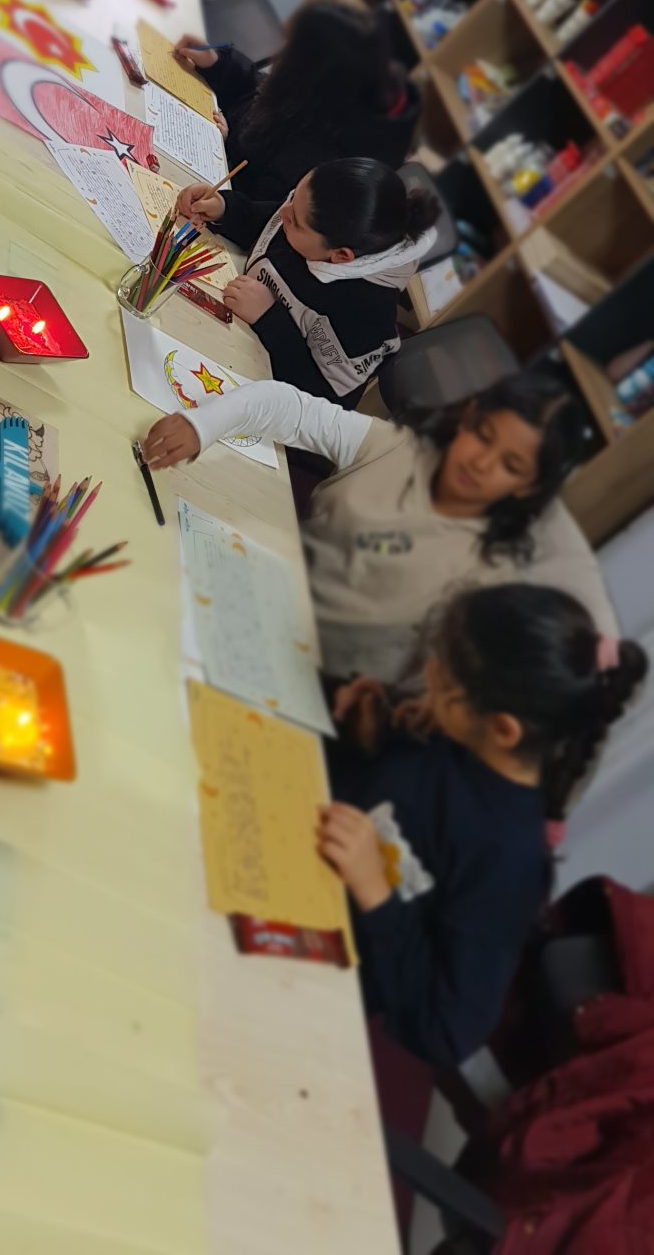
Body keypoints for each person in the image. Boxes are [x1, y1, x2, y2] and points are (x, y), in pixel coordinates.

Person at [316, 583, 647, 1065]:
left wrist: (376, 893)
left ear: (503, 729)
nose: (429, 676)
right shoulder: (454, 737)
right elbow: (395, 808)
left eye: (445, 681)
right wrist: (371, 738)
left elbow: (447, 1030)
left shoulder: (507, 864)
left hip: (322, 957)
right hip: (304, 850)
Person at [142, 370, 618, 676]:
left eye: (510, 466)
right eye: (482, 435)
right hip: (246, 589)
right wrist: (204, 424)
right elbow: (287, 407)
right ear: (469, 416)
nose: (481, 462)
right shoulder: (398, 448)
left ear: (529, 487)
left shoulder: (490, 573)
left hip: (299, 675)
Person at [176, 158, 438, 406]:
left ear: (341, 256)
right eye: (292, 198)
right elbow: (265, 223)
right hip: (225, 325)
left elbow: (319, 401)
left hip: (251, 388)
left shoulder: (367, 320)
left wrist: (268, 318)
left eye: (295, 221)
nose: (283, 212)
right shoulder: (306, 216)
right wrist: (224, 209)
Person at [173, 2, 420, 207]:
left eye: (289, 52)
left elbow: (258, 206)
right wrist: (217, 63)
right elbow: (256, 91)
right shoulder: (315, 100)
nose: (278, 56)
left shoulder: (316, 157)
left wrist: (226, 148)